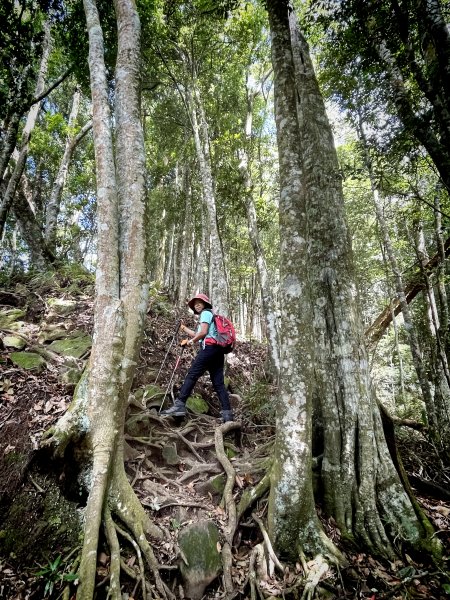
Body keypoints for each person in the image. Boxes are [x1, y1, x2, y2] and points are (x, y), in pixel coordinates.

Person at [160, 293, 234, 422]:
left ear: (205, 303)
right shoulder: (208, 315)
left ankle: (179, 405)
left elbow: (203, 333)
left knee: (192, 375)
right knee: (219, 384)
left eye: (199, 302)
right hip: (217, 352)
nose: (197, 304)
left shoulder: (206, 313)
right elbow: (198, 333)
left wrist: (190, 342)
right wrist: (184, 328)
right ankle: (228, 414)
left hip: (209, 349)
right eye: (195, 303)